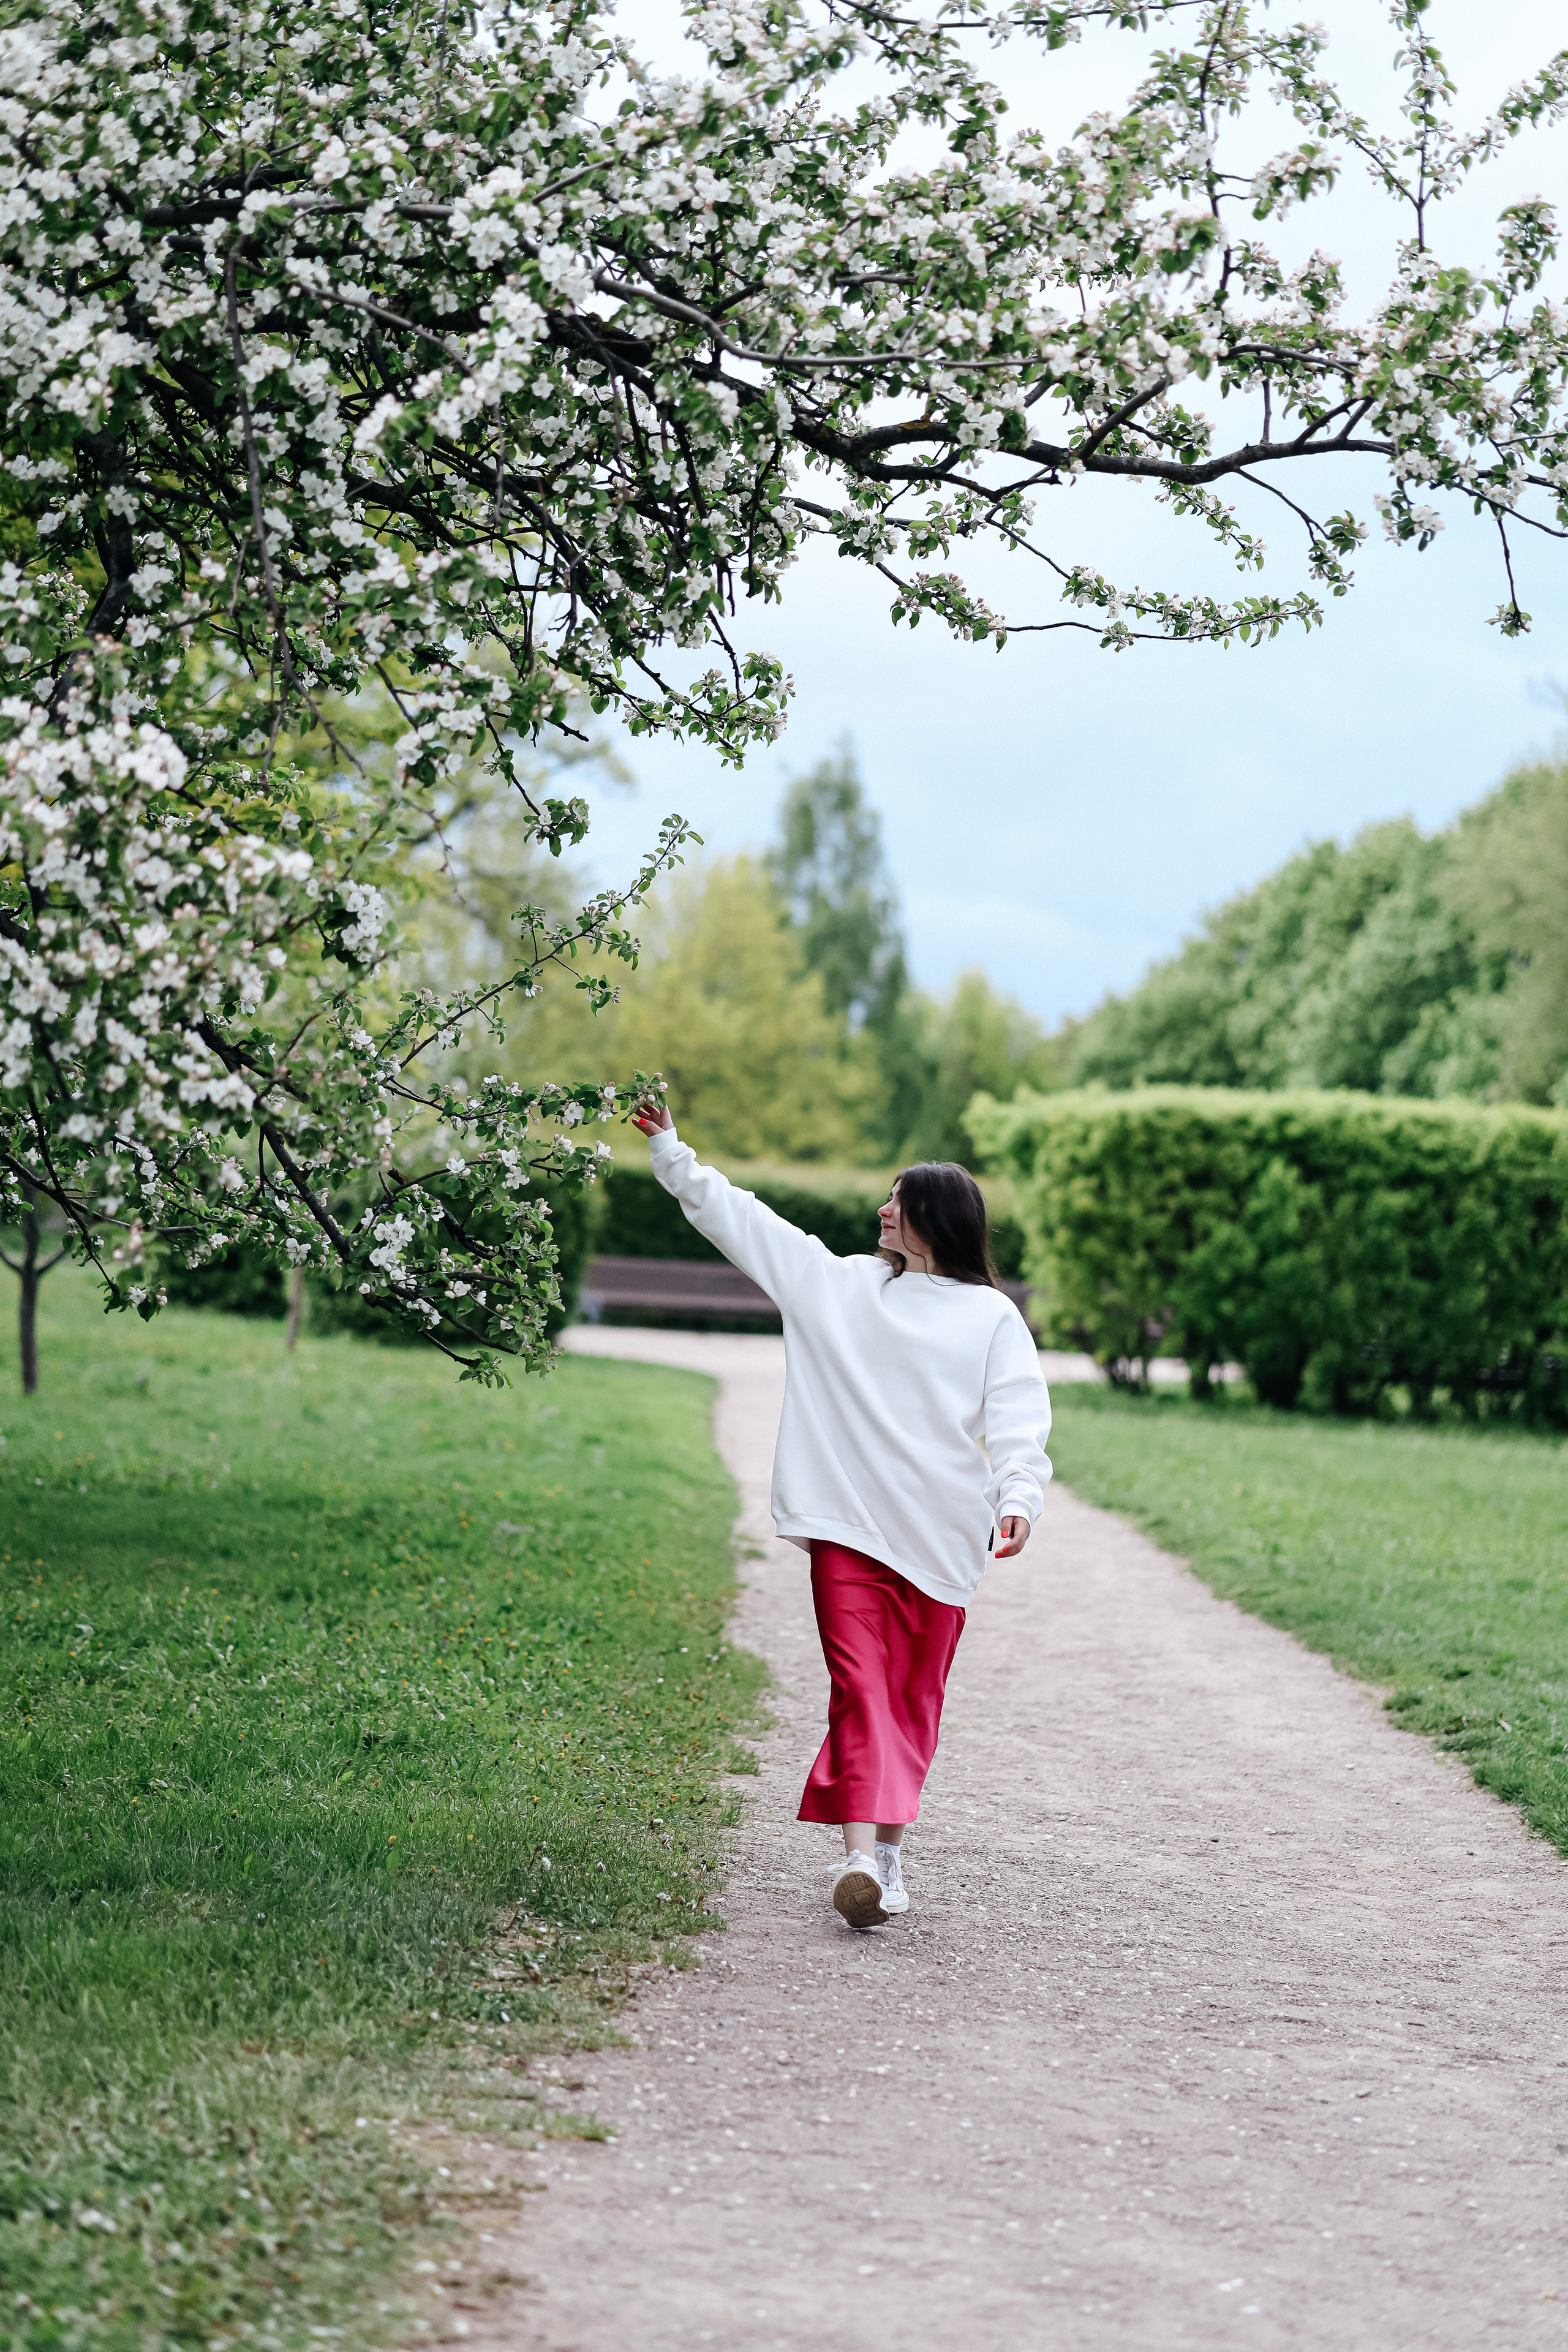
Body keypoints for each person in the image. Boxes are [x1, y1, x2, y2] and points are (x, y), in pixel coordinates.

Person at [631, 1093, 1052, 1931]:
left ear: (936, 1218)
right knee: (860, 1687)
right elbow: (745, 1223)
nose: (882, 1210)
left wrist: (1019, 1495)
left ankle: (887, 1858)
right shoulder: (839, 1286)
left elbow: (1017, 1414)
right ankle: (858, 1858)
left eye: (899, 1200)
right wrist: (673, 1153)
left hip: (939, 1538)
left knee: (912, 1700)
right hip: (849, 1532)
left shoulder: (990, 1316)